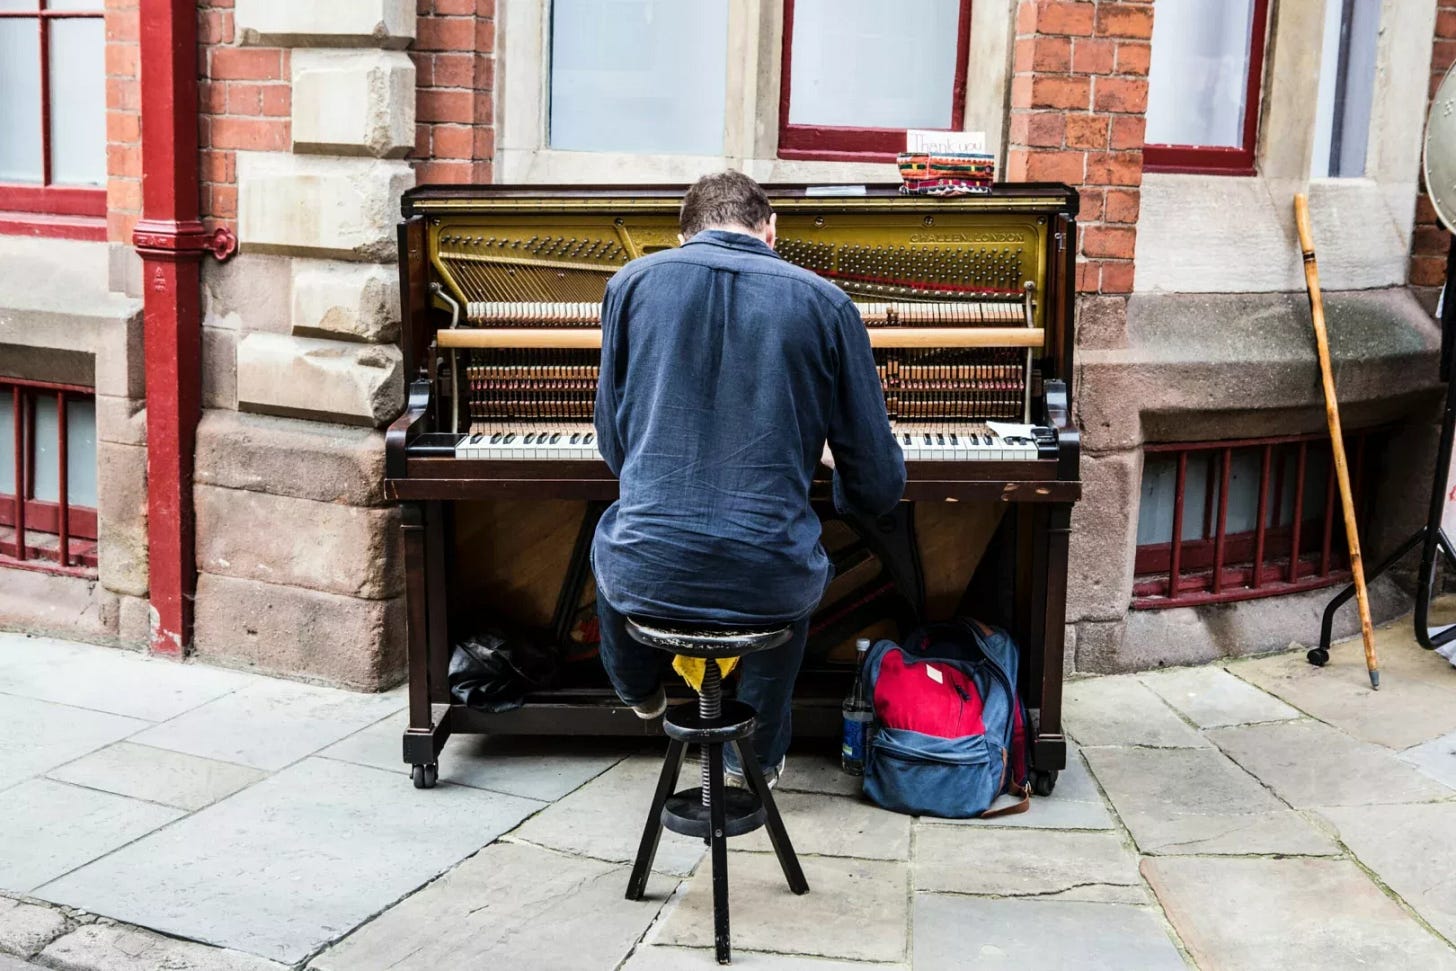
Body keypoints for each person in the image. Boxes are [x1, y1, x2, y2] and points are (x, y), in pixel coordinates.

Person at [592, 171, 906, 786]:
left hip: (652, 568)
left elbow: (615, 447)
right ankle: (753, 755)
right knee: (778, 552)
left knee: (621, 540)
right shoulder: (825, 302)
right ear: (771, 231)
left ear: (683, 235)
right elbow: (876, 486)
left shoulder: (629, 285)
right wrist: (818, 460)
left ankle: (639, 691)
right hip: (767, 579)